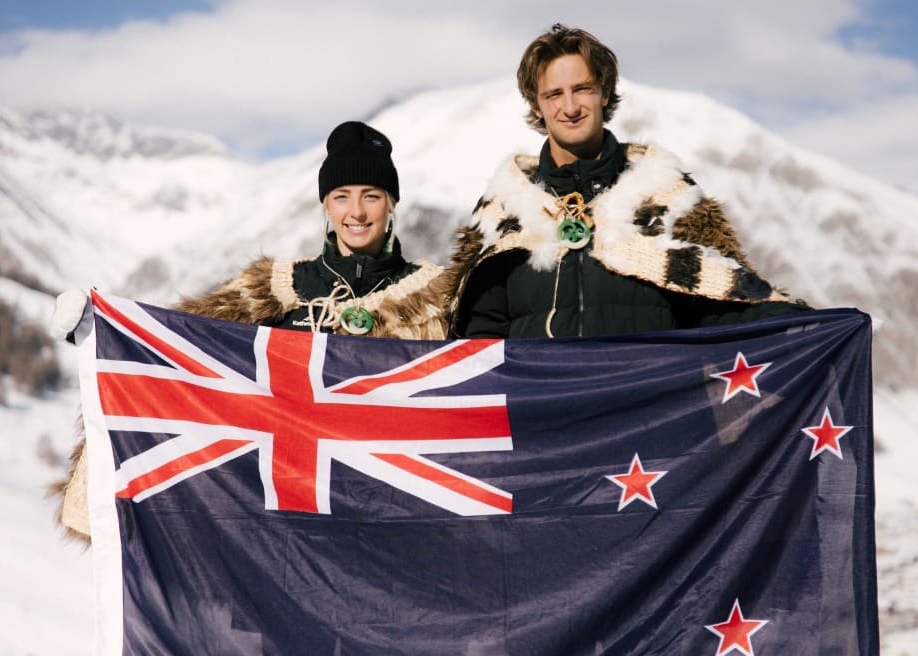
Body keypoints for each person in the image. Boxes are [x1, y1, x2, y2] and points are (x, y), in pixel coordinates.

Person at [50, 120, 450, 543]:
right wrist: (97, 330)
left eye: (371, 196)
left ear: (391, 203)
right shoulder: (272, 290)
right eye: (341, 197)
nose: (356, 212)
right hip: (286, 523)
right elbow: (177, 350)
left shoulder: (439, 297)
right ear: (325, 207)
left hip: (391, 513)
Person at [446, 24, 807, 338]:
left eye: (582, 89)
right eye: (554, 94)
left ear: (605, 92)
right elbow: (481, 339)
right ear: (536, 106)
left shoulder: (666, 198)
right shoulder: (504, 211)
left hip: (650, 413)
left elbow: (724, 302)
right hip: (539, 416)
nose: (570, 107)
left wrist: (810, 330)